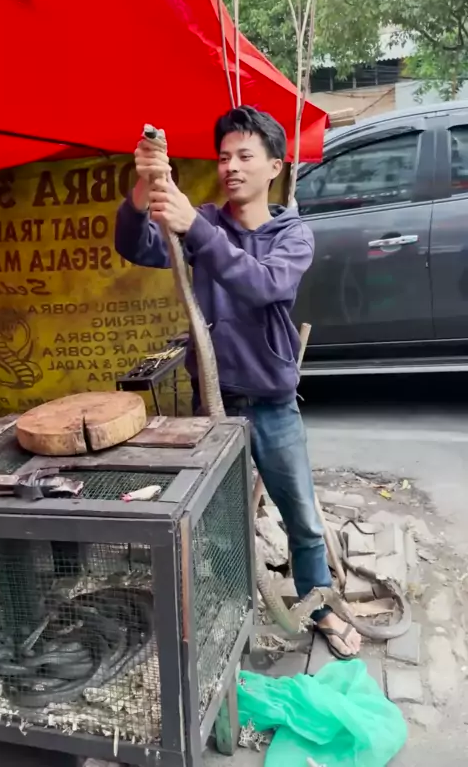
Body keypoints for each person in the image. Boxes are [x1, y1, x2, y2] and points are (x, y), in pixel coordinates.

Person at [114, 105, 361, 660]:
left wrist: (197, 228)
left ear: (274, 166)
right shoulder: (205, 221)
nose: (230, 166)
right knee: (222, 519)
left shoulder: (291, 233)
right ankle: (230, 604)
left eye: (245, 155)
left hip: (272, 403)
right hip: (214, 405)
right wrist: (145, 185)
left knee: (301, 516)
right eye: (224, 156)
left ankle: (318, 604)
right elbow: (136, 245)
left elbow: (263, 285)